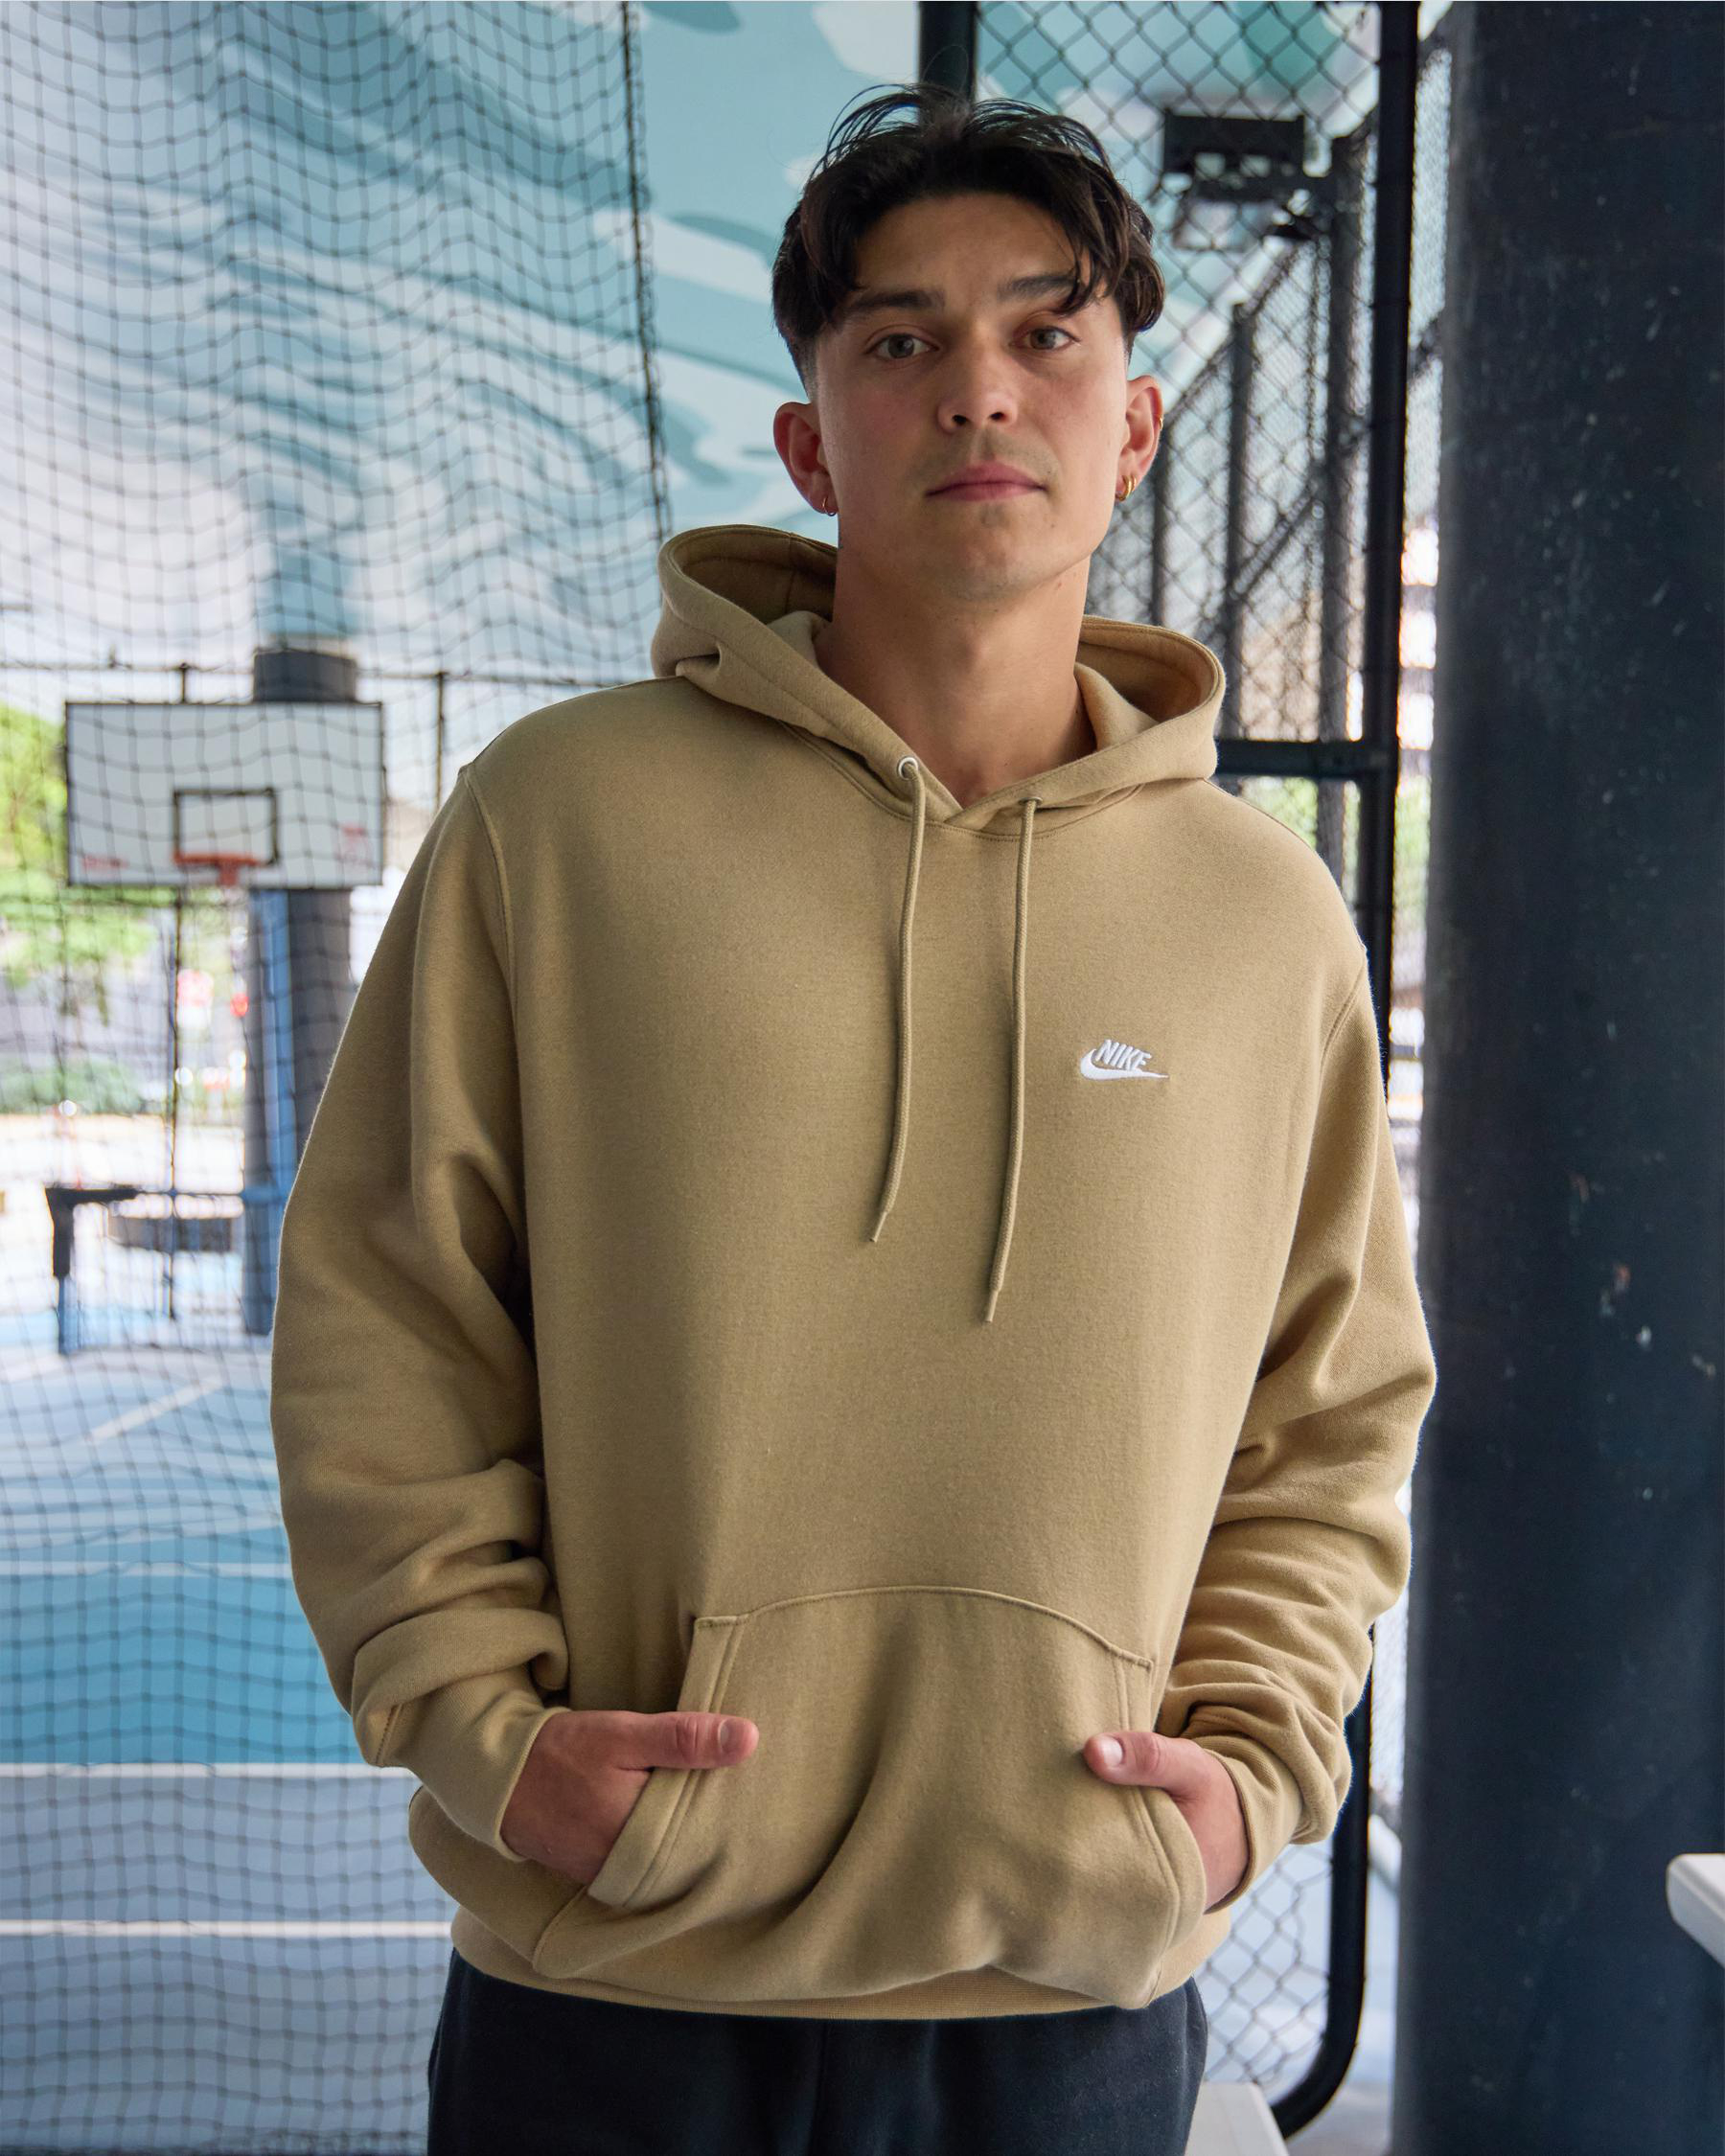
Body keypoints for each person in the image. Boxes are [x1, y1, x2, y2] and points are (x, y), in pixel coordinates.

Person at [269, 82, 1438, 2156]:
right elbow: (388, 1310)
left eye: (1044, 331)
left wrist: (1249, 1777)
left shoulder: (1265, 920)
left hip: (1074, 1990)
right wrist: (488, 1732)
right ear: (811, 446)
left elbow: (1329, 1409)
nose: (978, 389)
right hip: (612, 1986)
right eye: (902, 340)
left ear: (1132, 427)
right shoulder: (558, 820)